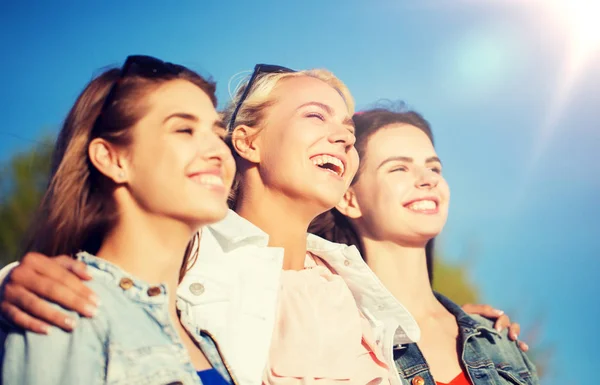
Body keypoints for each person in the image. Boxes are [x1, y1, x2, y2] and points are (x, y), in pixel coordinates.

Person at [0, 65, 524, 385]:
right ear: (247, 142)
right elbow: (123, 284)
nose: (343, 138)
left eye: (346, 129)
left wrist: (457, 323)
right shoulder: (200, 249)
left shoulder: (352, 282)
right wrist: (9, 282)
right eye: (317, 117)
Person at [0, 55, 237, 385]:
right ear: (112, 159)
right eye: (184, 129)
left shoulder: (204, 335)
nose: (218, 151)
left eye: (218, 132)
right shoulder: (67, 307)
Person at [310, 105, 539, 385]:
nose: (429, 179)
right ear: (349, 199)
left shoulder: (499, 342)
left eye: (434, 167)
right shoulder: (325, 328)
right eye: (399, 168)